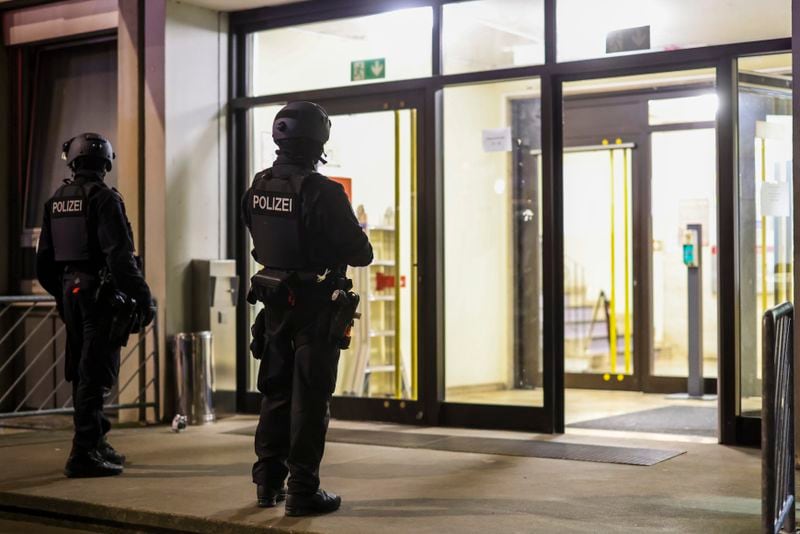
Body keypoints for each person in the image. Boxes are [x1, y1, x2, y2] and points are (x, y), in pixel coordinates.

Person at [243, 101, 373, 516]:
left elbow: (258, 240)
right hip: (316, 306)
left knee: (275, 394)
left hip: (274, 302)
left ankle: (267, 483)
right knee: (310, 400)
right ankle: (302, 490)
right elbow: (361, 253)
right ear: (319, 138)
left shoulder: (259, 185)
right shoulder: (324, 191)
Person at [36, 132, 154, 478]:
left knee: (83, 370)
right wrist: (143, 297)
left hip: (71, 292)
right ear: (105, 163)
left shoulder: (56, 200)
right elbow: (119, 257)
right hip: (99, 295)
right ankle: (84, 451)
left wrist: (64, 293)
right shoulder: (104, 199)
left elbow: (43, 263)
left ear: (72, 162)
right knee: (96, 372)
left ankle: (96, 441)